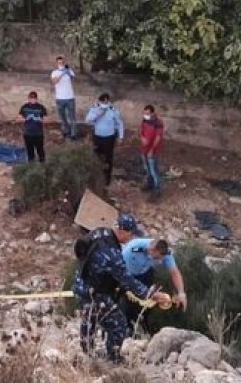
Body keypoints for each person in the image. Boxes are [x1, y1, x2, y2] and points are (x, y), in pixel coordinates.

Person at [72, 226, 150, 363]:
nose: (131, 239)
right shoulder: (112, 253)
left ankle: (87, 355)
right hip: (95, 292)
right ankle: (113, 357)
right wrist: (147, 293)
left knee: (90, 319)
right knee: (119, 324)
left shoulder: (101, 232)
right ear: (123, 231)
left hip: (82, 284)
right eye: (131, 235)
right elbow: (125, 278)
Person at [116, 213, 187, 333]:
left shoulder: (165, 253)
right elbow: (118, 268)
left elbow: (174, 272)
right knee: (126, 303)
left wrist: (181, 292)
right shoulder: (132, 249)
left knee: (148, 303)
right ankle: (127, 329)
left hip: (145, 274)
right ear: (150, 250)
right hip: (126, 275)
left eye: (160, 259)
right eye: (155, 258)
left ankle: (144, 323)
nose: (158, 261)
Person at [85, 93, 124, 186]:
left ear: (108, 101)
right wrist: (98, 113)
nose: (104, 104)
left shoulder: (113, 110)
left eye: (106, 102)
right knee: (96, 157)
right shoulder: (95, 109)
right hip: (97, 137)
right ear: (100, 101)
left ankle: (107, 180)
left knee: (108, 159)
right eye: (103, 102)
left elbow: (119, 123)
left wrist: (121, 136)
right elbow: (88, 120)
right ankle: (96, 177)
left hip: (109, 138)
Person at [140, 104, 165, 199]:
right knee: (147, 169)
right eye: (144, 113)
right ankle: (150, 184)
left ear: (153, 113)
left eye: (147, 113)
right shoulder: (144, 120)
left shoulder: (158, 123)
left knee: (154, 170)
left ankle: (157, 189)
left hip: (153, 151)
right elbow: (141, 131)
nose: (145, 115)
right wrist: (142, 138)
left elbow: (158, 138)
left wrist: (151, 150)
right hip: (144, 150)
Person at [50, 55, 77, 139]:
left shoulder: (69, 70)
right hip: (60, 98)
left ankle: (74, 134)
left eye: (62, 62)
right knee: (63, 117)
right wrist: (62, 73)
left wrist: (68, 72)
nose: (61, 64)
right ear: (56, 63)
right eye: (59, 62)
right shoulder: (54, 72)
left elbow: (73, 79)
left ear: (64, 62)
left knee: (72, 117)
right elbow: (55, 81)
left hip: (70, 97)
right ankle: (66, 130)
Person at [17, 91, 48, 162]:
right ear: (28, 98)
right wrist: (26, 119)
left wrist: (39, 119)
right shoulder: (24, 107)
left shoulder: (41, 107)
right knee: (30, 152)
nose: (32, 100)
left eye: (34, 98)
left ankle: (42, 165)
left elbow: (46, 120)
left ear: (36, 99)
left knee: (40, 151)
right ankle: (31, 166)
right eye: (31, 98)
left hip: (38, 134)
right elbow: (18, 119)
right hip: (27, 134)